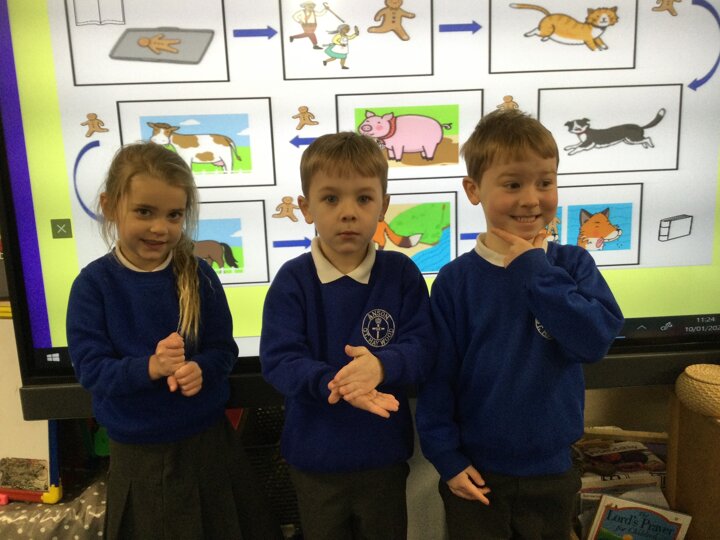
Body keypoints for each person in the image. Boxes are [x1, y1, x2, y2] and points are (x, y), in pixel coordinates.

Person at [416, 109, 624, 539]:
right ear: (473, 190)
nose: (531, 199)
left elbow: (594, 341)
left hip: (552, 471)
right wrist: (447, 459)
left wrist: (535, 270)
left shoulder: (572, 265)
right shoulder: (455, 281)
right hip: (476, 473)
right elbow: (438, 379)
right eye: (513, 185)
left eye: (545, 183)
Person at [66, 142, 256, 539]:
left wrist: (201, 369)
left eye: (174, 215)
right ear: (110, 206)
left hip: (210, 446)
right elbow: (92, 371)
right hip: (140, 457)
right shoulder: (93, 286)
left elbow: (223, 350)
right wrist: (151, 367)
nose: (160, 228)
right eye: (144, 212)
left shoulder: (200, 275)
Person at [260, 132, 435, 540]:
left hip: (383, 459)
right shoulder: (292, 281)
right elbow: (280, 360)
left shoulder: (401, 275)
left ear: (383, 206)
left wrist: (381, 366)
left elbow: (424, 347)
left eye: (363, 198)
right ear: (306, 208)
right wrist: (337, 383)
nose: (348, 213)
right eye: (331, 199)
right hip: (314, 462)